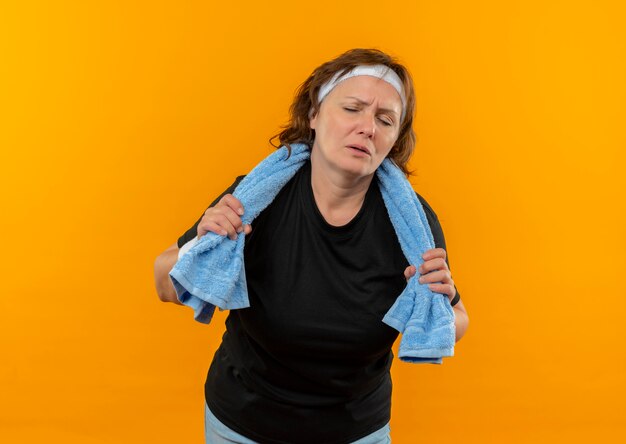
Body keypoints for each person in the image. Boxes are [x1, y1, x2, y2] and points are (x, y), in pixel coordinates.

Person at [154, 48, 469, 444]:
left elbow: (457, 319)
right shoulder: (254, 201)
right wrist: (200, 246)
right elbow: (164, 281)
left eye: (385, 119)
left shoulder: (412, 226)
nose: (368, 127)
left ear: (393, 140)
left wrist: (441, 300)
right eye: (352, 108)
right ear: (314, 115)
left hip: (354, 431)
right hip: (241, 424)